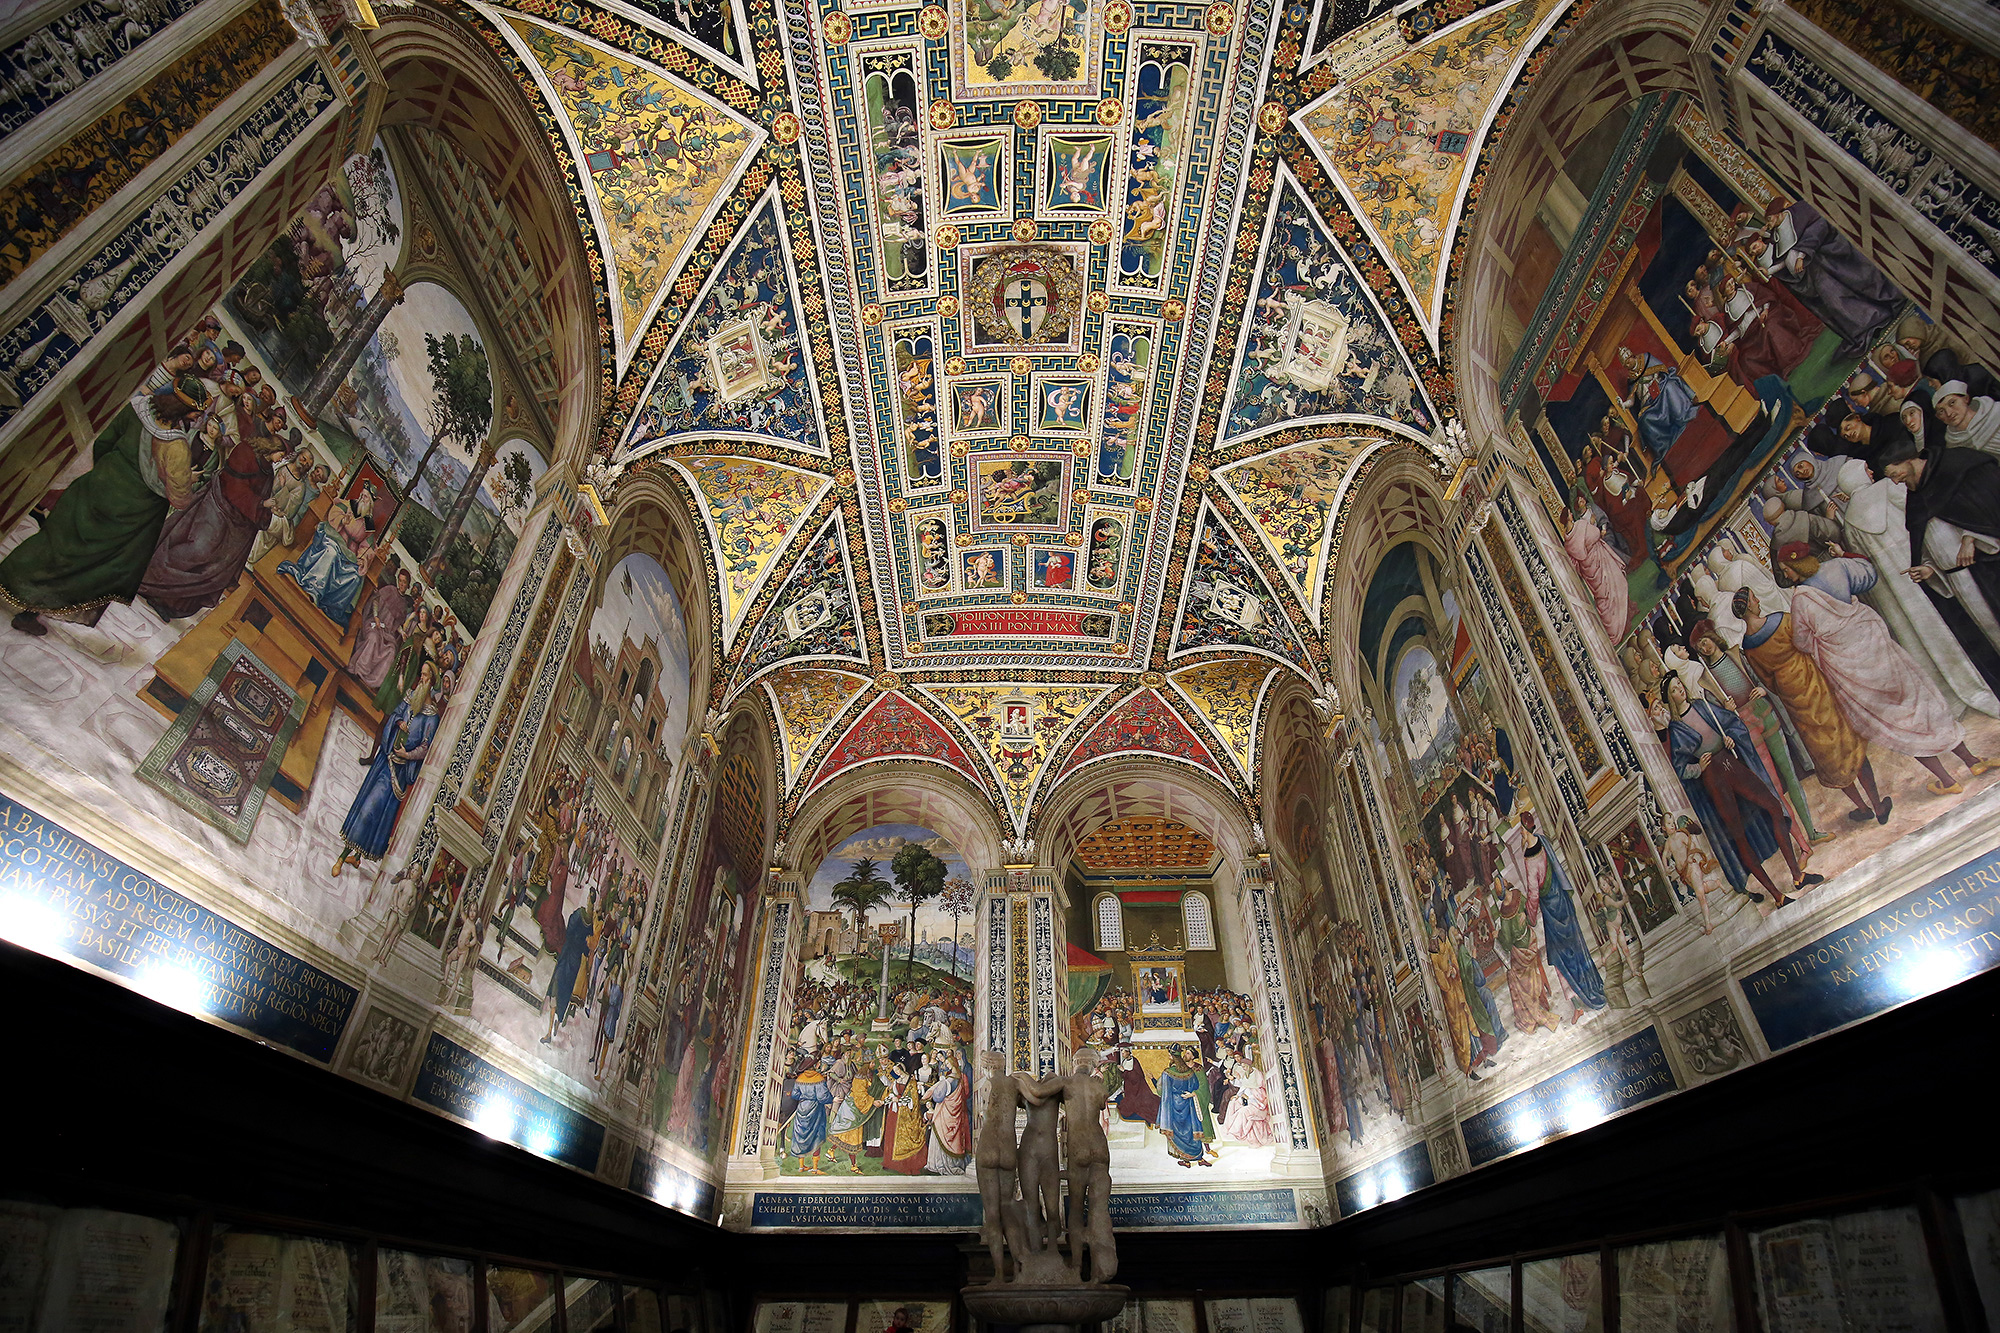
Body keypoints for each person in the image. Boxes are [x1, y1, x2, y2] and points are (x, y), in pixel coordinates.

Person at [2, 355, 210, 633]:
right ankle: (29, 613)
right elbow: (180, 498)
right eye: (196, 410)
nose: (199, 417)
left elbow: (104, 444)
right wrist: (192, 480)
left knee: (55, 545)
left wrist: (106, 474)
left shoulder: (136, 409)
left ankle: (9, 581)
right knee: (87, 569)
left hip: (95, 489)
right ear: (182, 408)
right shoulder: (177, 447)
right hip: (129, 518)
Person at [1658, 675, 1812, 906]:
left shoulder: (1701, 705)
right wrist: (1698, 767)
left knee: (1773, 806)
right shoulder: (1677, 728)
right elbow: (1681, 768)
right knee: (1739, 835)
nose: (1680, 689)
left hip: (1731, 763)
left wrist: (1730, 738)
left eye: (1679, 684)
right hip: (1713, 776)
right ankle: (1777, 896)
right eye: (1674, 690)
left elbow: (1730, 722)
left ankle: (1797, 875)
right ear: (1671, 698)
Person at [333, 661, 442, 876]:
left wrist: (407, 755)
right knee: (367, 808)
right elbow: (395, 715)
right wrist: (399, 721)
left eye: (426, 676)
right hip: (386, 762)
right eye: (421, 674)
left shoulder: (432, 717)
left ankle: (358, 857)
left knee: (377, 817)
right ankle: (342, 856)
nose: (422, 679)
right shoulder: (411, 697)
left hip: (400, 773)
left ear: (433, 683)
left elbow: (425, 747)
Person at [1504, 810, 1608, 1015]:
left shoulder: (1529, 859)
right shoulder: (1543, 841)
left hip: (1551, 911)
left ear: (1526, 830)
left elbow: (1533, 893)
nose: (1522, 836)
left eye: (1522, 832)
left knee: (1559, 956)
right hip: (1562, 901)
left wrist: (1531, 916)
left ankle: (1577, 1002)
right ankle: (1592, 986)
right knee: (1577, 945)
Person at [1564, 493, 1629, 639]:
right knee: (1617, 585)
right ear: (1569, 516)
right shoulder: (1581, 525)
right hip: (1599, 561)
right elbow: (1595, 535)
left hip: (1590, 570)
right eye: (1569, 513)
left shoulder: (1567, 543)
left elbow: (1577, 558)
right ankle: (1616, 626)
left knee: (1604, 597)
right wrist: (1593, 525)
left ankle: (1613, 626)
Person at [1156, 1047, 1214, 1167]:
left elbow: (1162, 1091)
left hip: (1174, 1106)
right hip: (1188, 1104)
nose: (1168, 1057)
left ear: (1173, 1057)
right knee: (1192, 1129)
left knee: (1179, 1132)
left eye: (1169, 1055)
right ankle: (1199, 1158)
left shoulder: (1168, 1073)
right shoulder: (1190, 1072)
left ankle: (1186, 1160)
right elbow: (1195, 1085)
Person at [1937, 382, 2000, 455]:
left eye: (1952, 403)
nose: (1948, 413)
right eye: (1941, 411)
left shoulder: (1996, 412)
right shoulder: (1953, 443)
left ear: (1966, 398)